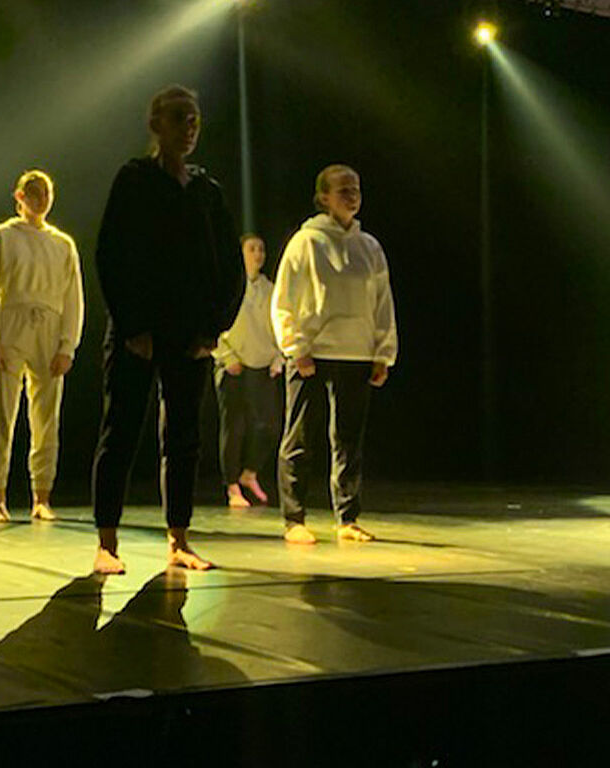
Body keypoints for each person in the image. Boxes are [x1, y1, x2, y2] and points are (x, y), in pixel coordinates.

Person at [91, 85, 243, 574]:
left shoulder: (206, 191)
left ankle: (179, 539)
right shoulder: (134, 179)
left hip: (190, 335)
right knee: (121, 432)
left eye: (194, 119)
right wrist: (133, 325)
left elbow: (230, 266)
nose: (189, 127)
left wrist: (214, 329)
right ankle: (107, 543)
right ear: (156, 124)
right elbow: (110, 254)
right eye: (179, 118)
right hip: (138, 332)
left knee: (183, 438)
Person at [271, 164, 398, 545]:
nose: (352, 195)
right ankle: (294, 518)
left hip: (356, 351)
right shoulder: (306, 242)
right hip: (313, 352)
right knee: (300, 436)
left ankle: (347, 517)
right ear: (323, 197)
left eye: (355, 188)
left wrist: (382, 353)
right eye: (343, 189)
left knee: (348, 439)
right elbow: (284, 299)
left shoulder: (369, 246)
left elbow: (382, 302)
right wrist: (296, 347)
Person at [0, 170, 84, 523]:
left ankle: (42, 495)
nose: (41, 199)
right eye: (33, 193)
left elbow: (73, 298)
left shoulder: (62, 244)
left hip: (48, 327)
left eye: (46, 193)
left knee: (46, 416)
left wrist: (67, 345)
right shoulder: (2, 236)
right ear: (19, 197)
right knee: (2, 413)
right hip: (12, 324)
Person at [213, 233, 283, 509]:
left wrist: (279, 356)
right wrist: (226, 356)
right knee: (235, 428)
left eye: (261, 249)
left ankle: (249, 473)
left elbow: (280, 324)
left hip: (262, 364)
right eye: (252, 249)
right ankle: (232, 486)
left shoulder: (270, 289)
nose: (258, 254)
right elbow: (214, 324)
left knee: (270, 426)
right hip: (233, 365)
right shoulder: (227, 284)